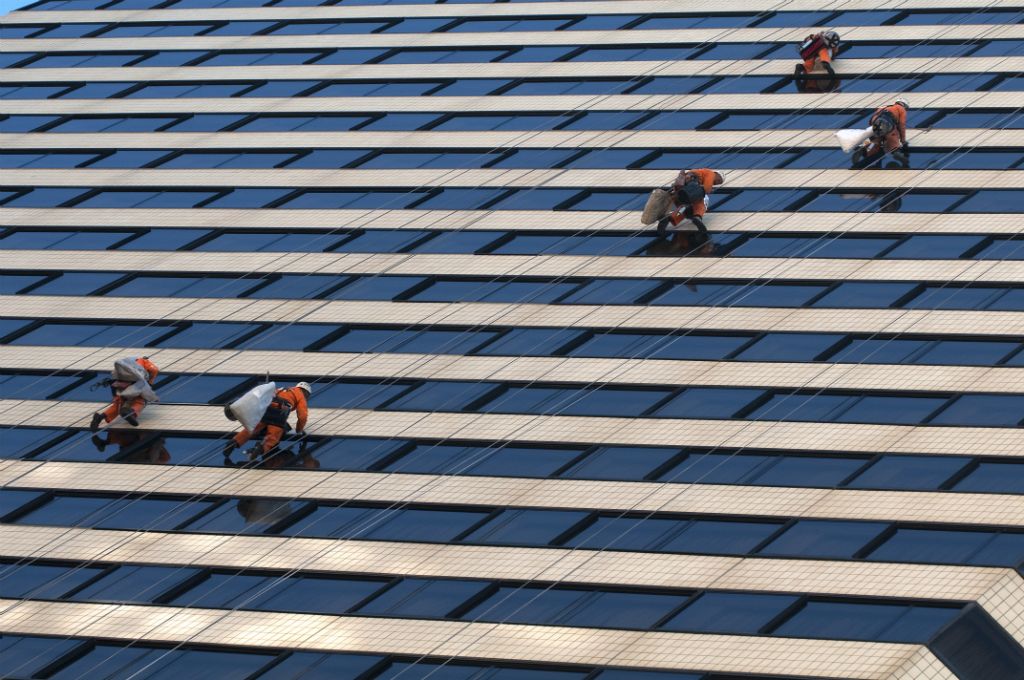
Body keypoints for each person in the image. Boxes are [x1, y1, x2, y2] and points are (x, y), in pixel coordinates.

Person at [224, 381, 311, 461]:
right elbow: (302, 416)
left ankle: (234, 442)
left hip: (267, 407)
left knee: (253, 428)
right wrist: (299, 430)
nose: (306, 398)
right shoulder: (300, 395)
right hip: (281, 410)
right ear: (306, 392)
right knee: (274, 436)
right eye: (307, 396)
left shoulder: (284, 389)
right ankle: (261, 448)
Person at [89, 356, 159, 431]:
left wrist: (115, 394)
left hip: (119, 384)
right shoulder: (145, 362)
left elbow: (115, 375)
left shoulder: (126, 362)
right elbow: (154, 370)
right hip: (134, 383)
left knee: (118, 404)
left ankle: (99, 417)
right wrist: (150, 383)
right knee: (141, 400)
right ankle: (131, 413)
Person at [657, 169, 725, 240]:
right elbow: (707, 188)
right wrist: (708, 190)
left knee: (685, 208)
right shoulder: (711, 174)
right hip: (691, 184)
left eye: (718, 183)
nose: (716, 183)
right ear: (717, 174)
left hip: (683, 188)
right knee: (701, 202)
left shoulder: (696, 175)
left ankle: (670, 218)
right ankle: (697, 216)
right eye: (719, 181)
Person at [856, 98, 909, 166]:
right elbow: (902, 125)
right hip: (887, 123)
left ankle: (865, 150)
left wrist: (873, 127)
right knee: (893, 137)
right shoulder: (901, 108)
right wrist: (903, 140)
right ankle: (896, 153)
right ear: (904, 105)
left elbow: (872, 118)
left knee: (875, 141)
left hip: (876, 124)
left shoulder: (884, 107)